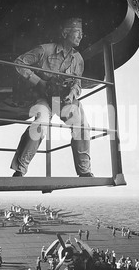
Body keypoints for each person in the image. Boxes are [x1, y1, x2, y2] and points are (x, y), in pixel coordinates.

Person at [10, 17, 93, 178]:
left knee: (82, 126)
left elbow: (77, 84)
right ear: (65, 33)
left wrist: (72, 94)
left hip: (63, 100)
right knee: (40, 124)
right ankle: (20, 169)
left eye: (82, 33)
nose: (81, 36)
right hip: (43, 98)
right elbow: (19, 62)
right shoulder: (44, 50)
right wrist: (39, 82)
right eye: (77, 32)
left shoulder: (78, 59)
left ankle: (84, 170)